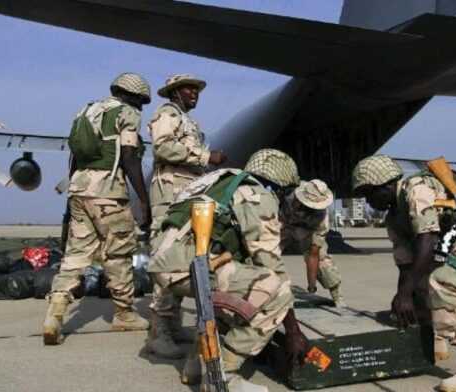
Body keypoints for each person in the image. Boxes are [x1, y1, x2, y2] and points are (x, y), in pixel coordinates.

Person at [351, 155, 456, 392]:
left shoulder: (416, 191)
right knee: (418, 287)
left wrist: (405, 294)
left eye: (370, 193)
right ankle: (435, 340)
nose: (368, 201)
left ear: (388, 184)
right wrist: (402, 296)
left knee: (444, 286)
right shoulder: (394, 218)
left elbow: (428, 240)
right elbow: (406, 264)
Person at [148, 149, 308, 392]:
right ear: (281, 185)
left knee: (234, 290)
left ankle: (196, 363)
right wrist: (293, 331)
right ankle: (224, 375)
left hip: (164, 261)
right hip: (188, 265)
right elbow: (271, 264)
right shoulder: (258, 195)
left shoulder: (217, 180)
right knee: (277, 292)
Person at [43, 72, 153, 345]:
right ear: (131, 96)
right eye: (140, 101)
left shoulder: (87, 109)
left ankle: (55, 312)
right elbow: (129, 157)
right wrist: (143, 197)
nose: (140, 107)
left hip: (79, 189)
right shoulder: (126, 113)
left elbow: (74, 157)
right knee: (119, 252)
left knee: (76, 254)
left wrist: (72, 195)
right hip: (108, 193)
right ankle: (125, 314)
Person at [145, 74, 228, 358]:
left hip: (185, 193)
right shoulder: (167, 113)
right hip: (170, 193)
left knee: (182, 258)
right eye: (188, 88)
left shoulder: (187, 120)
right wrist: (205, 157)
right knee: (167, 257)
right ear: (174, 92)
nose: (194, 93)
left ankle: (172, 325)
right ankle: (158, 333)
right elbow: (163, 146)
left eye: (196, 89)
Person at [280, 179, 345, 306]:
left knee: (322, 260)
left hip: (307, 229)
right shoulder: (288, 194)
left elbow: (313, 255)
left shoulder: (321, 220)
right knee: (266, 252)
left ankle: (338, 297)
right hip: (284, 224)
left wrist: (312, 286)